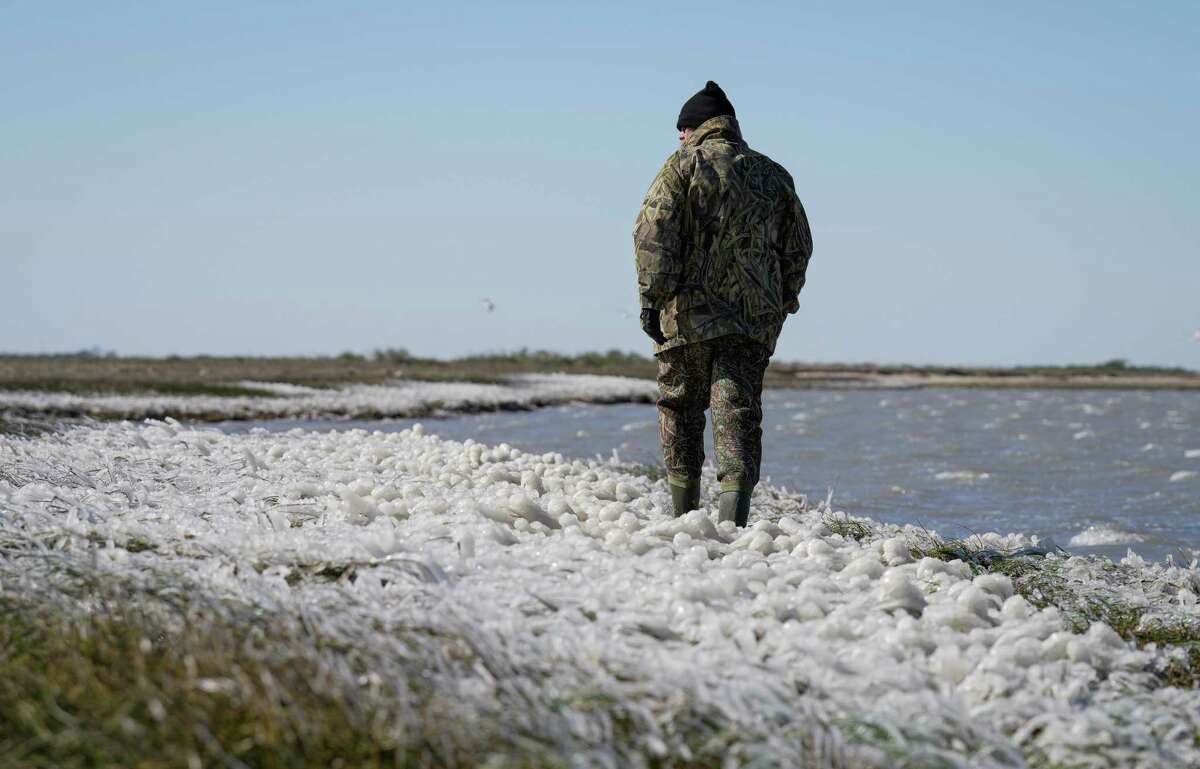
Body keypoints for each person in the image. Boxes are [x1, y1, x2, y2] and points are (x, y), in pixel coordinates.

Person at [633, 80, 813, 527]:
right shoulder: (774, 176)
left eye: (682, 129)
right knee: (738, 409)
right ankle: (734, 524)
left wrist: (651, 300)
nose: (679, 136)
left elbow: (652, 234)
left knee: (680, 406)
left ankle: (685, 519)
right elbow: (799, 247)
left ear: (693, 128)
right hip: (752, 321)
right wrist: (782, 300)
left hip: (687, 319)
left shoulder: (681, 166)